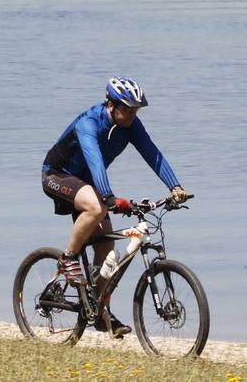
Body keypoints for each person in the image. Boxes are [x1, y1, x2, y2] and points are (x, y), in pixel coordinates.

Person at [41, 76, 190, 338]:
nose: (132, 115)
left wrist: (174, 187)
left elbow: (152, 154)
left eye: (136, 110)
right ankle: (68, 258)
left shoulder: (131, 126)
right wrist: (109, 198)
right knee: (98, 208)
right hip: (57, 176)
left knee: (107, 255)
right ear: (111, 105)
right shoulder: (89, 123)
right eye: (127, 109)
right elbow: (95, 161)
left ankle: (99, 313)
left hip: (86, 184)